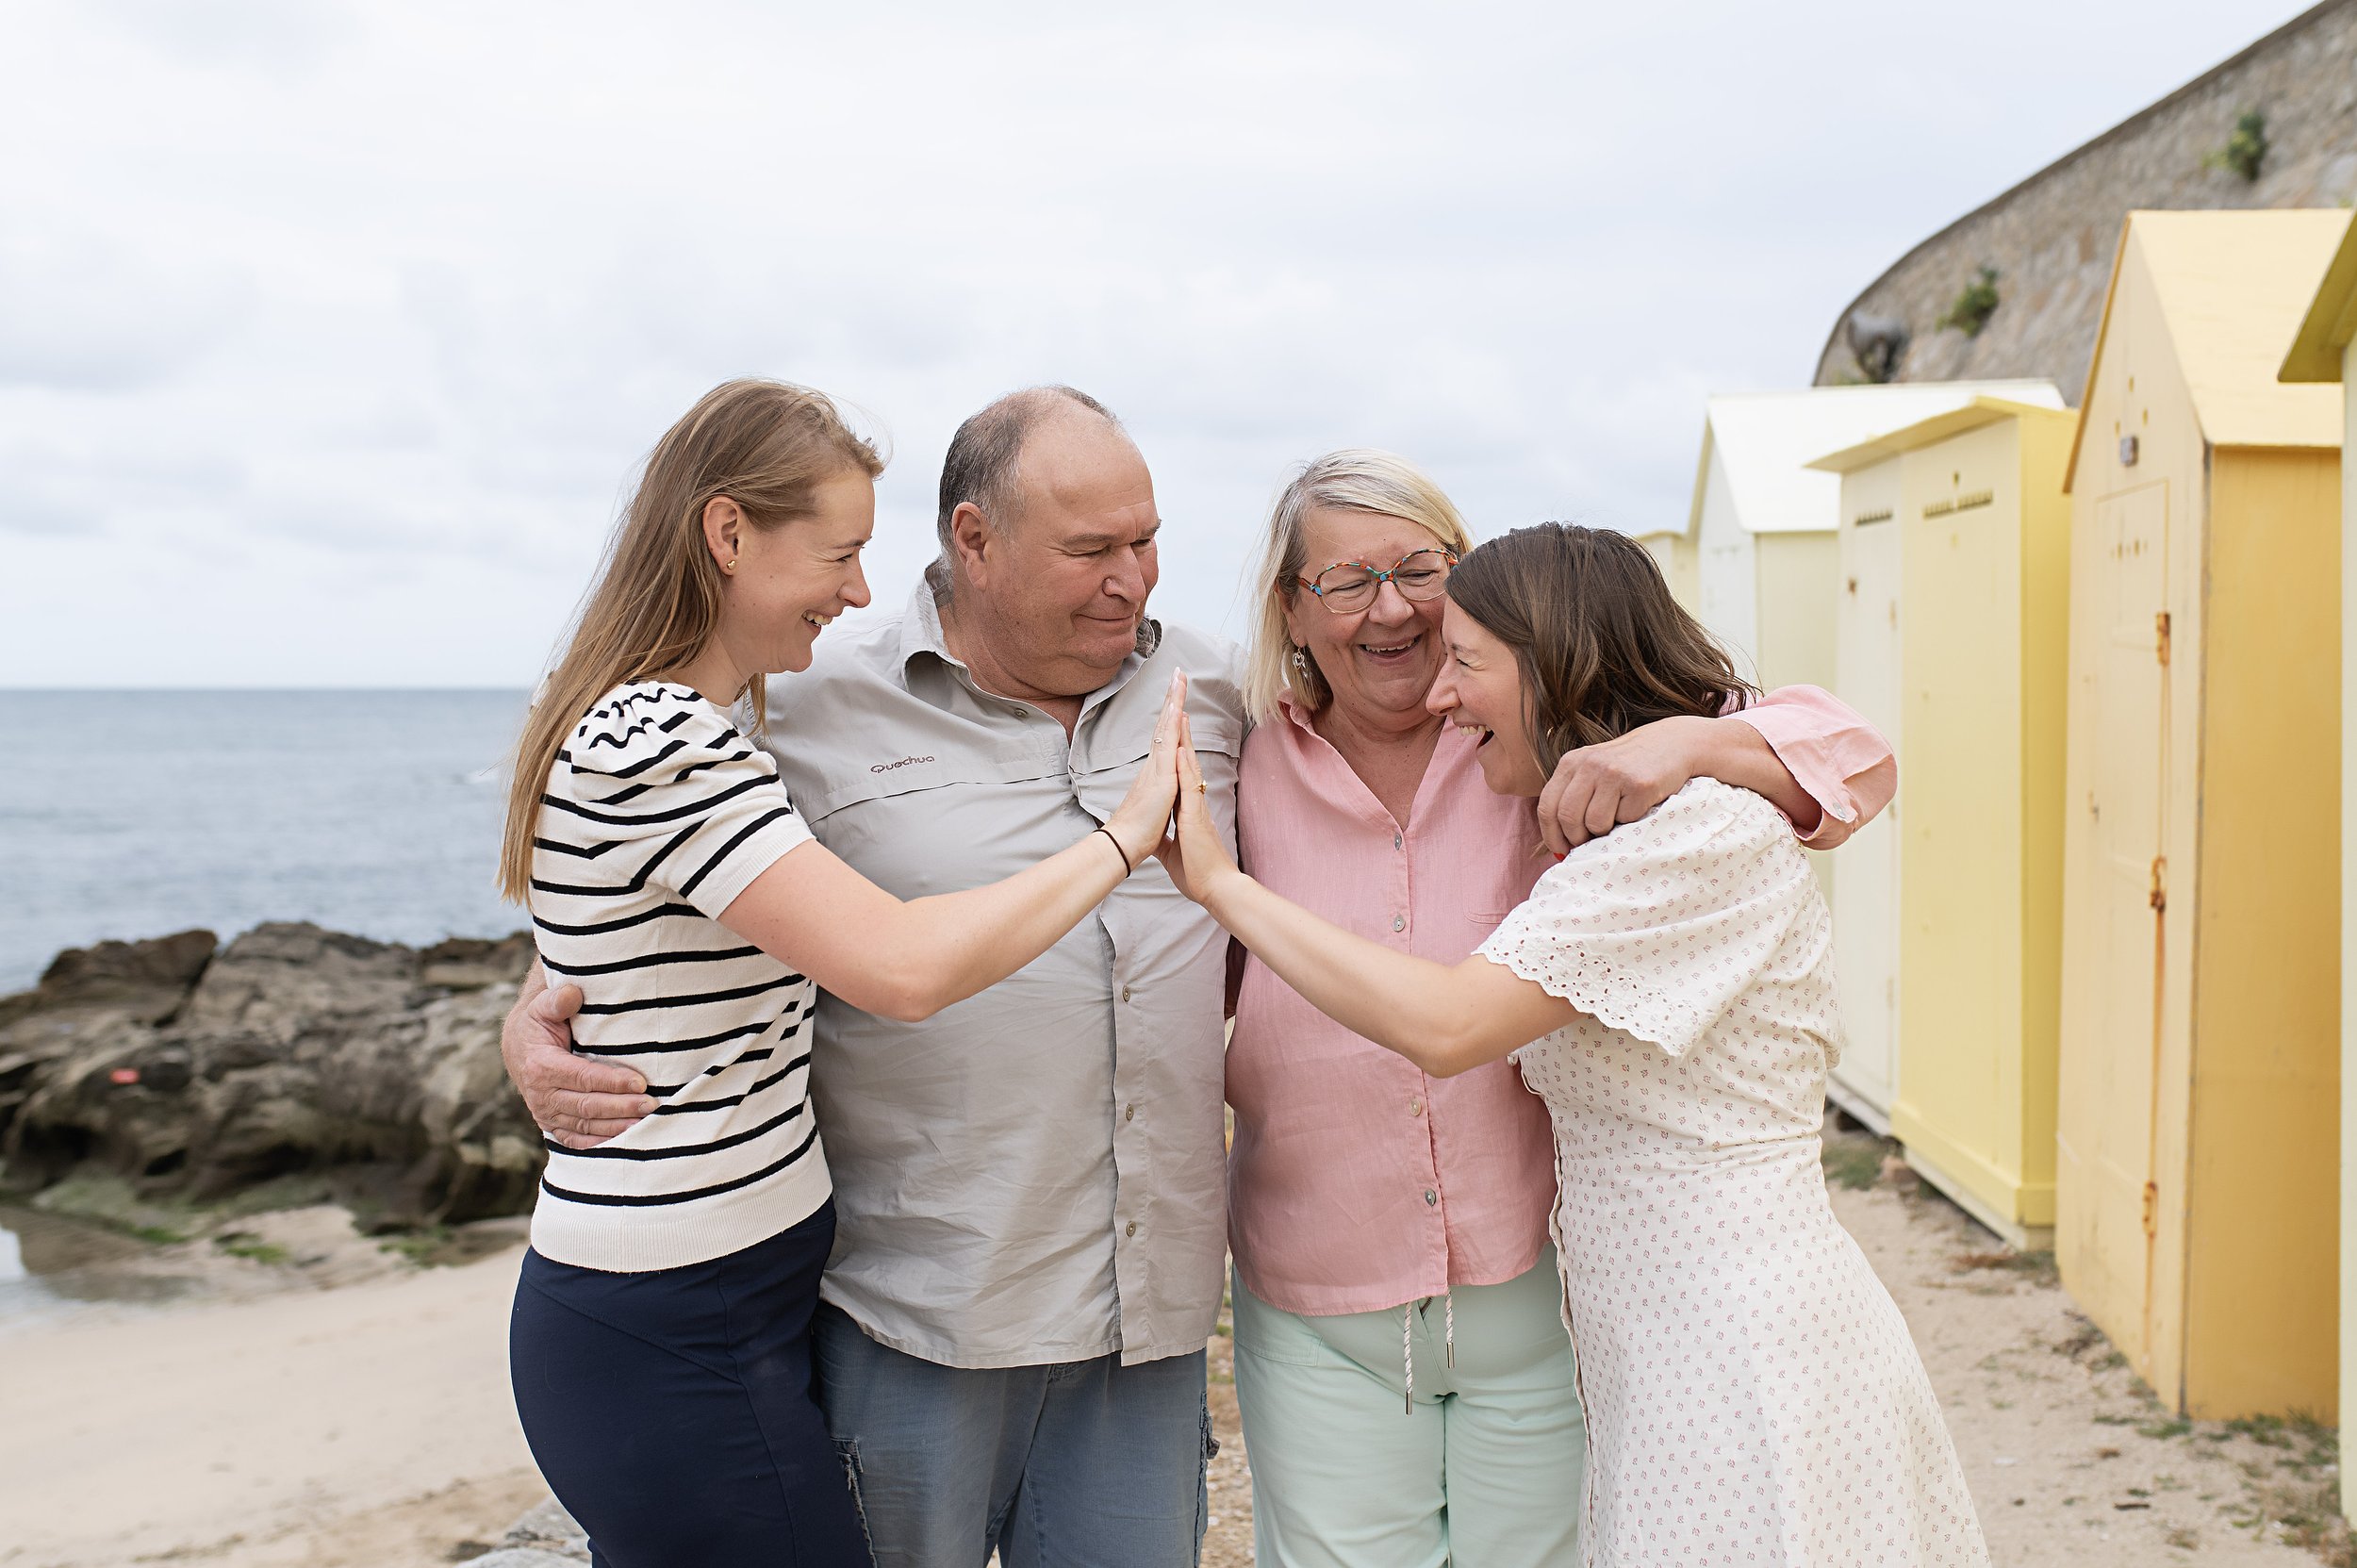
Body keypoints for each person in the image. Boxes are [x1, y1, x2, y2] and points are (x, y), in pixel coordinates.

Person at [501, 390, 1875, 1566]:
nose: (1134, 578)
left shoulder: (1278, 709)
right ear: (972, 542)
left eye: (1149, 541)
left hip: (1153, 1323)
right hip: (922, 1305)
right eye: (1091, 547)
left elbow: (1844, 751)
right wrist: (550, 997)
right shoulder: (815, 696)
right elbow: (647, 856)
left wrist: (1702, 748)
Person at [1162, 522, 1988, 1567]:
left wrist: (1222, 886)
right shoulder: (1623, 826)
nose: (1440, 695)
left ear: (1553, 658)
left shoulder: (1688, 838)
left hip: (1735, 1342)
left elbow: (1450, 1024)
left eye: (1463, 661)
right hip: (1653, 1342)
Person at [496, 378, 1190, 1568]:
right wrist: (1126, 837)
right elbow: (900, 969)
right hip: (676, 1318)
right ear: (728, 534)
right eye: (839, 552)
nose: (862, 588)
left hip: (736, 1299)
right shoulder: (659, 740)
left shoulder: (709, 733)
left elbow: (631, 940)